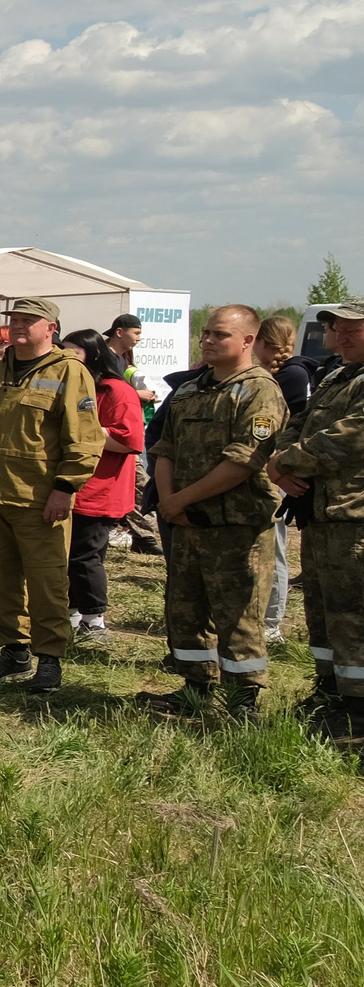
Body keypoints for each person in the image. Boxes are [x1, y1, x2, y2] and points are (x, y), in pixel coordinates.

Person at [141, 305, 286, 718]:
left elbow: (245, 460)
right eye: (205, 333)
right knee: (185, 607)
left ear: (247, 342)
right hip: (184, 521)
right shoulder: (189, 390)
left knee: (237, 613)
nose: (207, 340)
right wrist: (169, 501)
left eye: (220, 335)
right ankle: (195, 691)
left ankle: (243, 703)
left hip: (235, 526)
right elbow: (163, 447)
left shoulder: (259, 390)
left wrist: (181, 500)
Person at [0, 297, 104, 694]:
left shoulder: (69, 372)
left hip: (39, 499)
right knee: (1, 581)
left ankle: (50, 660)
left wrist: (65, 488)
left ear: (50, 328)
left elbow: (85, 438)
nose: (19, 326)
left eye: (29, 320)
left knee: (46, 583)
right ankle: (13, 651)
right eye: (14, 320)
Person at [267, 301, 364, 738]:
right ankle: (330, 690)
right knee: (323, 609)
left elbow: (348, 438)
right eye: (337, 329)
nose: (340, 337)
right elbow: (298, 423)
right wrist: (280, 460)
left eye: (353, 330)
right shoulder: (337, 375)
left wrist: (287, 462)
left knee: (354, 612)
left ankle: (357, 710)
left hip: (354, 516)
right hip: (322, 512)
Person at [61, 329, 144, 647]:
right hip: (71, 485)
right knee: (68, 555)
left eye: (73, 352)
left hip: (100, 488)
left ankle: (95, 621)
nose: (65, 358)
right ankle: (71, 615)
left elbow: (128, 440)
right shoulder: (71, 386)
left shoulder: (116, 391)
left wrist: (81, 429)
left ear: (93, 354)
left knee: (85, 556)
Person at [259, 315, 314, 644]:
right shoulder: (287, 371)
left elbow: (286, 426)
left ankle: (271, 623)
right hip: (275, 464)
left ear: (265, 342)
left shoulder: (291, 373)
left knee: (275, 546)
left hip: (279, 465)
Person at [110, 313, 166, 557]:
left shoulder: (122, 361)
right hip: (109, 435)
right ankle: (141, 534)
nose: (139, 338)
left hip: (124, 434)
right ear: (120, 332)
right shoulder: (105, 359)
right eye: (136, 333)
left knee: (137, 484)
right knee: (139, 483)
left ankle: (142, 535)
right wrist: (136, 395)